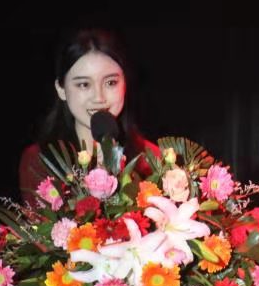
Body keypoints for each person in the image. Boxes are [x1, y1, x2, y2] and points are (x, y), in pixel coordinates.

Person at [19, 28, 158, 204]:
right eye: (84, 85)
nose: (99, 98)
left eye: (111, 83)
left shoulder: (152, 159)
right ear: (61, 89)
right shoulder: (40, 161)